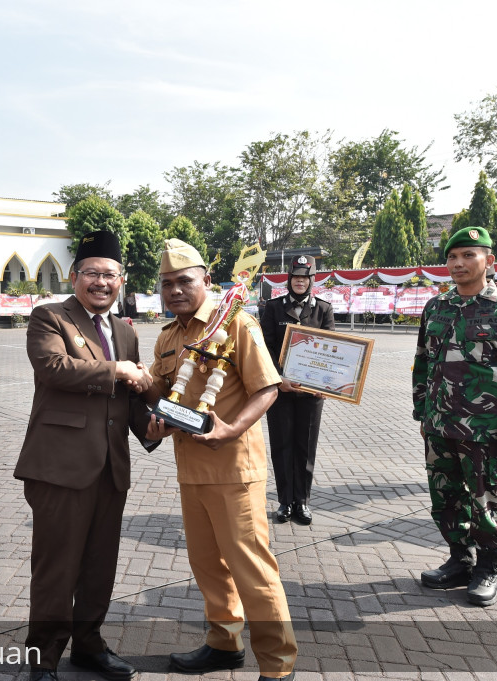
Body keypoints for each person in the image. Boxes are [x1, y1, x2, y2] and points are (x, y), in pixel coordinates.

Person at [142, 239, 297, 681]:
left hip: (233, 469)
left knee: (252, 568)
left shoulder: (237, 323)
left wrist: (232, 429)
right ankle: (224, 643)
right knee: (208, 565)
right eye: (166, 283)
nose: (174, 290)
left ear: (207, 280)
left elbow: (267, 388)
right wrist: (148, 405)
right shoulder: (169, 336)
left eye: (184, 281)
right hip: (190, 469)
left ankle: (278, 665)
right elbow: (163, 394)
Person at [14, 230, 154, 681]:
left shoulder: (124, 332)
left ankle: (88, 644)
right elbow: (54, 368)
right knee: (57, 568)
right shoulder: (50, 317)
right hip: (61, 467)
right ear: (74, 276)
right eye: (92, 273)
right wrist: (118, 370)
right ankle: (43, 657)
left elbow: (129, 397)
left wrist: (154, 425)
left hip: (110, 468)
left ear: (121, 281)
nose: (101, 282)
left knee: (99, 566)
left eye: (110, 274)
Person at [413, 226, 497, 607]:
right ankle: (460, 559)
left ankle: (488, 565)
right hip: (439, 424)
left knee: (485, 499)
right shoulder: (436, 307)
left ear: (489, 260)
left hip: (485, 428)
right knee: (445, 496)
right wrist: (423, 413)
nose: (458, 263)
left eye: (468, 255)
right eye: (452, 257)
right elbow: (423, 362)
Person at [260, 255, 334, 525]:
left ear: (312, 280)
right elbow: (265, 347)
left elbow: (332, 348)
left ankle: (301, 501)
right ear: (289, 279)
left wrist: (326, 383)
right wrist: (278, 378)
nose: (300, 282)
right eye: (296, 277)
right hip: (281, 390)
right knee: (281, 445)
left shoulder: (323, 309)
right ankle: (284, 501)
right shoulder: (273, 307)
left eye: (305, 277)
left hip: (311, 393)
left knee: (306, 446)